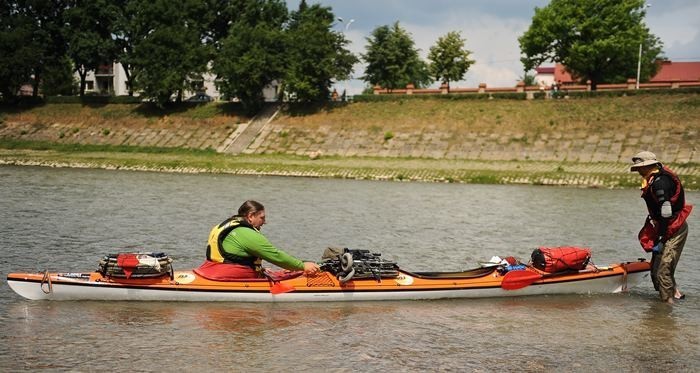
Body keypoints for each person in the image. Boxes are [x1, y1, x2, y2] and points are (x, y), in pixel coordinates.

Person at [195, 200, 320, 280]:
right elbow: (275, 255)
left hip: (209, 270)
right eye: (262, 218)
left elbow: (236, 257)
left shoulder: (225, 225)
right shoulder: (245, 233)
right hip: (226, 276)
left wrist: (261, 269)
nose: (264, 222)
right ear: (250, 216)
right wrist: (303, 266)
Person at [630, 151, 693, 304]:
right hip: (664, 227)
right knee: (655, 271)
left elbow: (666, 211)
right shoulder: (652, 179)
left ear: (648, 166)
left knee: (663, 270)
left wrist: (660, 238)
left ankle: (667, 309)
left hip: (674, 228)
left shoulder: (660, 183)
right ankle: (672, 298)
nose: (637, 171)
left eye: (639, 168)